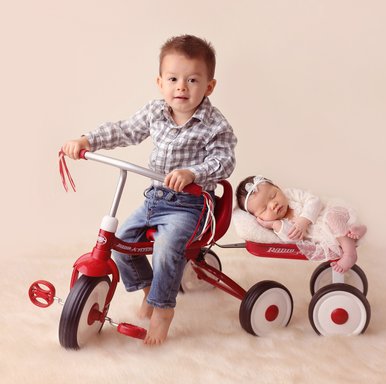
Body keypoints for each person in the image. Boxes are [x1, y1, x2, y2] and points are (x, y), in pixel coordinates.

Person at [62, 35, 237, 345]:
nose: (181, 87)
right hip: (156, 199)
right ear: (160, 82)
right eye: (173, 79)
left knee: (167, 249)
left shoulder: (215, 125)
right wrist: (87, 140)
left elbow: (224, 161)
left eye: (192, 80)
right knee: (122, 242)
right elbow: (125, 130)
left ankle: (164, 309)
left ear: (209, 86)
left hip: (191, 204)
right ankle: (149, 290)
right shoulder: (155, 112)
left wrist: (192, 173)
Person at [236, 176, 367, 273]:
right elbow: (291, 238)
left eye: (273, 195)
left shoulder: (290, 194)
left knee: (332, 217)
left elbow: (314, 200)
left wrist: (304, 220)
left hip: (327, 214)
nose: (273, 204)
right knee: (336, 232)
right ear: (259, 218)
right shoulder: (279, 224)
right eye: (264, 209)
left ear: (278, 188)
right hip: (322, 233)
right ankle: (353, 231)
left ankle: (350, 253)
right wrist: (273, 225)